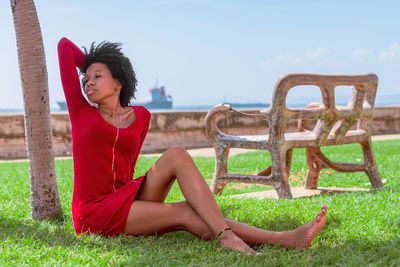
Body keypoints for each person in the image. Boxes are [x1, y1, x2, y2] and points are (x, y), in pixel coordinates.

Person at [57, 37, 327, 255]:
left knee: (176, 154)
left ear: (118, 82)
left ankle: (257, 237)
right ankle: (265, 239)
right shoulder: (82, 112)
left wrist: (112, 64)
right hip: (94, 212)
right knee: (185, 211)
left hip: (125, 198)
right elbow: (64, 47)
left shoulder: (140, 117)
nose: (88, 81)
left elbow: (126, 167)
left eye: (97, 76)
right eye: (85, 78)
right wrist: (94, 60)